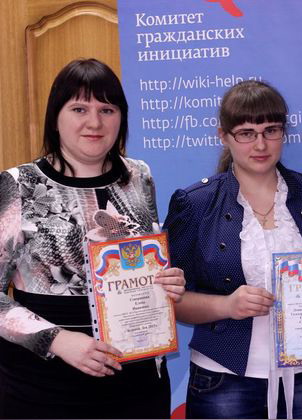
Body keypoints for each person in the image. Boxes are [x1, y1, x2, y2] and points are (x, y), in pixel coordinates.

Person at [0, 58, 185, 419]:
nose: (95, 122)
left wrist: (167, 283)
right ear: (55, 116)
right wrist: (57, 339)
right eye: (79, 109)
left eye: (107, 109)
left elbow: (143, 260)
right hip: (44, 389)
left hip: (138, 386)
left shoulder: (139, 175)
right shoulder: (18, 185)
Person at [163, 80, 302, 419]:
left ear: (283, 132)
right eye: (246, 133)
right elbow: (172, 301)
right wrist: (227, 305)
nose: (260, 144)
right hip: (222, 379)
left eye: (270, 130)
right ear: (224, 136)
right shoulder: (195, 204)